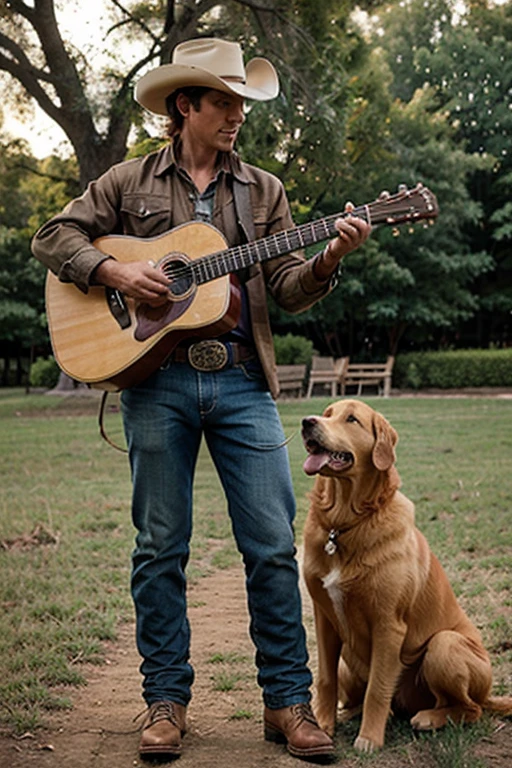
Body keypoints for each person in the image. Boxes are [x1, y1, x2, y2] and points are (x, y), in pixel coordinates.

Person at [32, 37, 371, 763]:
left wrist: (328, 259)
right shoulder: (127, 182)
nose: (237, 114)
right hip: (156, 382)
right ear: (185, 104)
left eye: (241, 103)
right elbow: (54, 237)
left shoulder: (265, 191)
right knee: (160, 549)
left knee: (272, 550)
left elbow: (284, 287)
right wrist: (116, 273)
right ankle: (165, 701)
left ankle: (287, 704)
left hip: (243, 382)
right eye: (223, 100)